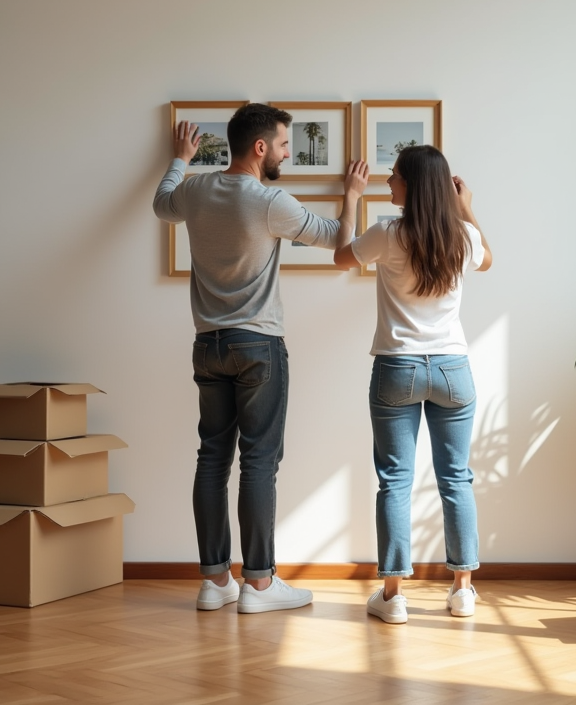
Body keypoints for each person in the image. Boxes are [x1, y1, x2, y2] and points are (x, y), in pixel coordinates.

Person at [154, 103, 369, 613]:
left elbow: (163, 204)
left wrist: (181, 158)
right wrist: (354, 195)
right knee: (258, 462)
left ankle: (214, 581)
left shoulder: (196, 189)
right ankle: (259, 584)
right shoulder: (271, 201)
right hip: (258, 345)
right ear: (259, 148)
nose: (287, 154)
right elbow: (340, 242)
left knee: (212, 458)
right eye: (283, 145)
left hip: (208, 344)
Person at [333, 144, 493, 625]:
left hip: (397, 368)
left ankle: (393, 596)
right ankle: (463, 591)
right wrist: (467, 208)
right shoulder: (462, 236)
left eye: (394, 176)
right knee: (456, 478)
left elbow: (342, 258)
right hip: (452, 369)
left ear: (412, 185)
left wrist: (350, 197)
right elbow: (488, 260)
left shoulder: (387, 234)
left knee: (395, 481)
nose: (388, 183)